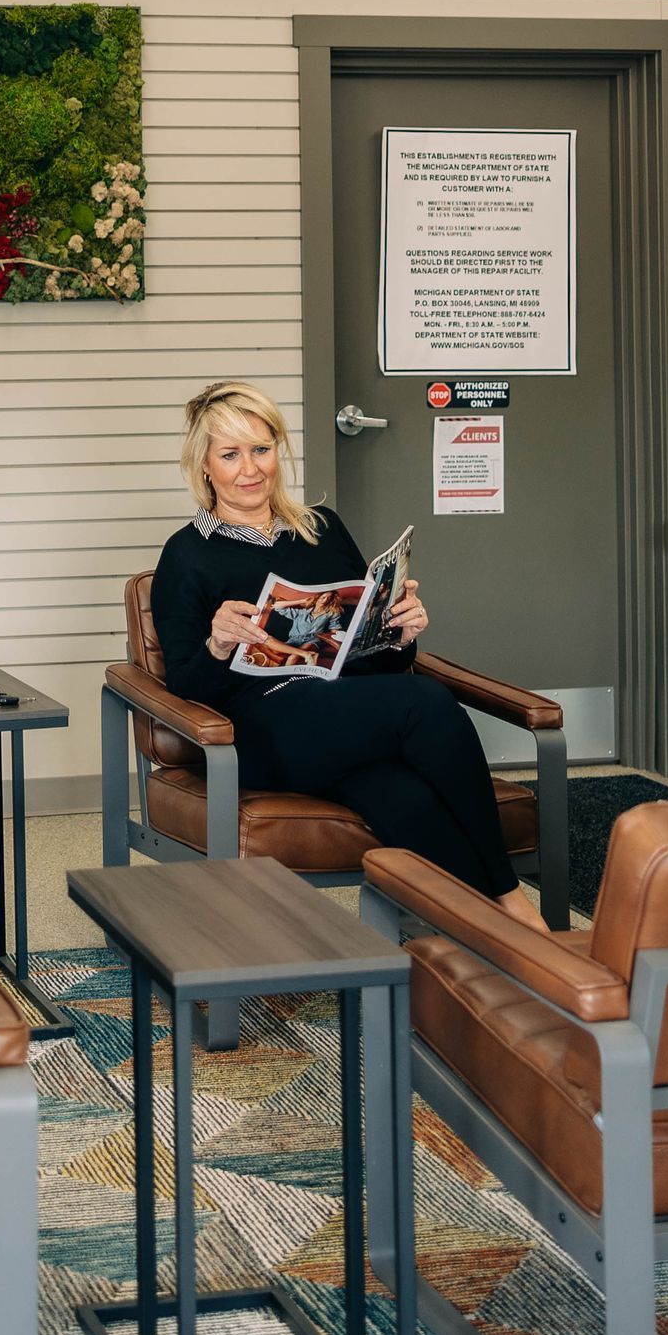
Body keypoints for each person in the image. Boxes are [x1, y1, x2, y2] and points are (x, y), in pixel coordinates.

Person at [148, 376, 550, 934]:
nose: (250, 469)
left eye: (261, 449)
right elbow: (186, 687)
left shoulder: (322, 529)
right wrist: (217, 644)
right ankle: (511, 898)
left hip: (344, 715)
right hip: (265, 729)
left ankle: (487, 937)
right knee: (425, 701)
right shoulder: (186, 555)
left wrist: (399, 634)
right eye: (231, 454)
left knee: (400, 794)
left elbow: (371, 656)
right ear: (205, 466)